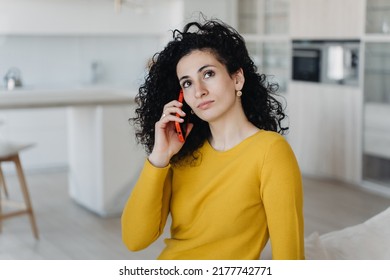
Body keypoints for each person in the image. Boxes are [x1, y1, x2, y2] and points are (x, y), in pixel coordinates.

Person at [121, 18, 305, 260]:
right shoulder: (182, 153)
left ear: (237, 79)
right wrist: (159, 157)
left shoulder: (270, 151)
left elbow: (289, 257)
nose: (198, 91)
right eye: (187, 83)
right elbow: (134, 240)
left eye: (208, 74)